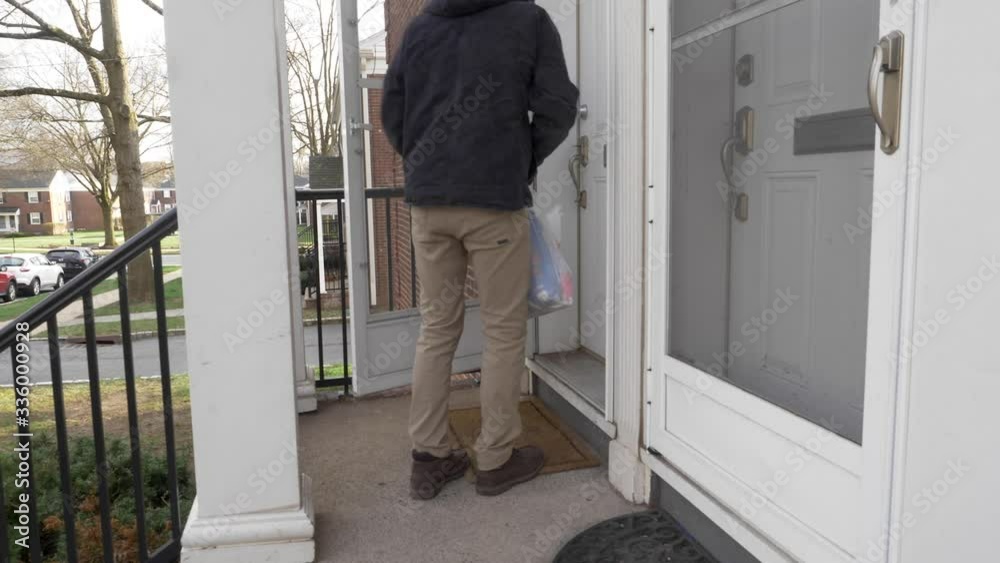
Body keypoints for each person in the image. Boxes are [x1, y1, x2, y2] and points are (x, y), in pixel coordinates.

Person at [382, 0, 579, 500]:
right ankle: (495, 458)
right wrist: (521, 159)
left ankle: (428, 458)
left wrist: (428, 164)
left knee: (436, 327)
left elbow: (392, 113)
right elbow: (557, 104)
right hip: (493, 201)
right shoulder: (527, 20)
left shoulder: (421, 28)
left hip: (430, 204)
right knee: (503, 330)